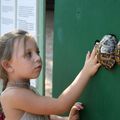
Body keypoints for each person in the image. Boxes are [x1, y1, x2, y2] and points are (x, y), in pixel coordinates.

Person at [0, 30, 100, 120]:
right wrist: (86, 72)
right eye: (28, 54)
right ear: (8, 65)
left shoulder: (27, 89)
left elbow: (44, 115)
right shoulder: (13, 95)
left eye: (37, 52)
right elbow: (60, 105)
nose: (38, 58)